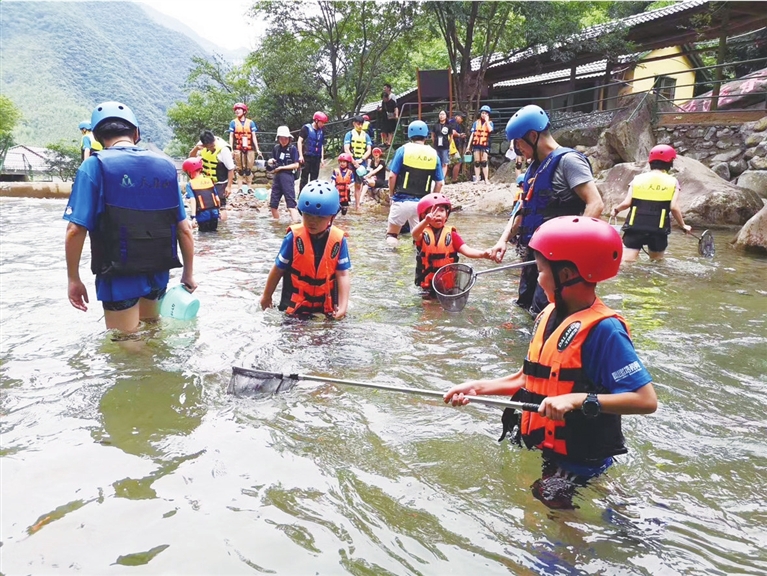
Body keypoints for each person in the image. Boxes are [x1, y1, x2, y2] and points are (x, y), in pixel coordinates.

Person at [444, 216, 657, 510]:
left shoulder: (605, 330)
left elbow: (646, 401)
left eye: (541, 270)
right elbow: (526, 379)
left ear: (567, 274)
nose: (538, 278)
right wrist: (476, 388)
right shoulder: (548, 315)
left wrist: (577, 399)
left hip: (579, 456)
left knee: (552, 509)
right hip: (547, 448)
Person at [64, 101, 196, 334]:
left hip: (117, 275)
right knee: (152, 331)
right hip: (158, 271)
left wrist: (73, 279)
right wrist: (188, 272)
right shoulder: (165, 166)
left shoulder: (93, 166)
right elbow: (184, 228)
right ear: (136, 133)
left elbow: (75, 230)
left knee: (127, 346)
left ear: (96, 136)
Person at [493, 104, 604, 316]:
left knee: (543, 314)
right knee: (525, 308)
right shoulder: (534, 167)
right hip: (534, 255)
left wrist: (568, 248)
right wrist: (503, 240)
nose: (518, 151)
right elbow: (524, 209)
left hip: (556, 261)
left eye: (518, 144)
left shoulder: (569, 161)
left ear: (533, 136)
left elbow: (596, 203)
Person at [260, 180, 351, 319]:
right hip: (295, 307)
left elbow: (343, 274)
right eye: (308, 215)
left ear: (332, 217)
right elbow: (278, 269)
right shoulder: (293, 238)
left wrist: (343, 307)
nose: (312, 221)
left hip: (326, 308)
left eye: (320, 217)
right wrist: (266, 296)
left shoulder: (339, 241)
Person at [612, 144, 691, 262]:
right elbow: (674, 207)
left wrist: (616, 210)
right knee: (657, 263)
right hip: (658, 230)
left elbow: (626, 203)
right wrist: (683, 225)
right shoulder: (673, 182)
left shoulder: (637, 179)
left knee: (626, 262)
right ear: (670, 163)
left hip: (635, 228)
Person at [412, 193, 492, 294]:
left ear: (447, 214)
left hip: (446, 286)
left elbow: (467, 251)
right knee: (428, 307)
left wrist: (483, 254)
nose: (438, 214)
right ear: (424, 216)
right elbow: (414, 234)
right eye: (433, 211)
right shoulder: (422, 234)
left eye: (441, 210)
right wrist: (425, 222)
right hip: (426, 286)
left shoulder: (452, 235)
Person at [385, 120, 444, 248]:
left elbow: (391, 176)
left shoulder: (403, 150)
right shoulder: (434, 154)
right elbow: (439, 183)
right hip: (422, 205)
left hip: (401, 201)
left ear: (410, 135)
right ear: (426, 135)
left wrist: (391, 195)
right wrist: (431, 201)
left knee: (392, 235)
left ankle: (391, 264)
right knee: (419, 239)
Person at [190, 130, 234, 222]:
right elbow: (191, 158)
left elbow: (231, 169)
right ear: (205, 145)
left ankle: (223, 228)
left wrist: (229, 186)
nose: (212, 147)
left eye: (213, 144)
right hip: (206, 182)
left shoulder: (223, 149)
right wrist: (195, 149)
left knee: (221, 205)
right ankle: (209, 224)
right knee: (207, 204)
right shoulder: (201, 146)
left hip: (221, 181)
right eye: (209, 146)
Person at [267, 125, 301, 222]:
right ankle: (277, 225)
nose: (283, 140)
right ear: (278, 138)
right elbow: (273, 162)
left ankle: (296, 224)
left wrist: (282, 167)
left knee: (291, 204)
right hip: (277, 177)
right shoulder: (276, 148)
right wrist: (271, 162)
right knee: (273, 205)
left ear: (289, 138)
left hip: (288, 177)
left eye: (285, 138)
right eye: (281, 138)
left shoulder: (292, 149)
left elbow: (296, 165)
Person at [228, 102, 261, 190]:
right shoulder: (233, 123)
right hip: (238, 148)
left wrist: (257, 149)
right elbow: (231, 136)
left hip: (249, 148)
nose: (237, 111)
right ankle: (240, 188)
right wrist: (231, 149)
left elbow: (253, 136)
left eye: (239, 109)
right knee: (240, 169)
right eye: (236, 109)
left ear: (244, 111)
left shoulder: (250, 122)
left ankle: (249, 187)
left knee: (248, 168)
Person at [182, 157, 220, 232]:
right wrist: (219, 211)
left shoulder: (190, 184)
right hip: (214, 212)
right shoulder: (209, 181)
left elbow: (193, 200)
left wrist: (193, 217)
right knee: (214, 232)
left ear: (189, 171)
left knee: (203, 235)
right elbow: (217, 199)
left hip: (203, 215)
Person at [343, 115, 372, 209]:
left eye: (361, 124)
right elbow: (346, 148)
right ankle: (344, 203)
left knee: (358, 184)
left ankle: (357, 205)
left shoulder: (366, 135)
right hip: (350, 161)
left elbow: (369, 150)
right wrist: (353, 161)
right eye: (358, 124)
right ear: (354, 124)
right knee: (345, 182)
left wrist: (362, 159)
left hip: (361, 162)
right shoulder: (349, 134)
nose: (360, 126)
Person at [297, 111, 328, 192]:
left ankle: (313, 195)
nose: (323, 124)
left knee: (314, 179)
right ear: (316, 120)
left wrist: (322, 158)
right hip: (307, 157)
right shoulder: (306, 128)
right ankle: (302, 196)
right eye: (322, 122)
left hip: (316, 158)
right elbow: (299, 141)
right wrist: (300, 155)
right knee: (304, 178)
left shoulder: (322, 131)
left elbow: (321, 144)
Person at [466, 105, 494, 183]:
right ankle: (477, 178)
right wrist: (468, 146)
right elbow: (472, 134)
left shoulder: (490, 123)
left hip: (485, 145)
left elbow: (490, 130)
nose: (483, 114)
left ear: (488, 114)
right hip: (476, 144)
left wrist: (487, 121)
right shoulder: (476, 123)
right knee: (477, 162)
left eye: (485, 113)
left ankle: (486, 179)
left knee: (484, 162)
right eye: (482, 113)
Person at [447, 112, 466, 183]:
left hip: (449, 145)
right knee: (458, 161)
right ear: (457, 116)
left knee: (447, 163)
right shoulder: (453, 122)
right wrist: (460, 135)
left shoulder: (452, 123)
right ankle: (454, 179)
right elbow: (453, 132)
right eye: (461, 118)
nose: (461, 120)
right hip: (451, 145)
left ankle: (447, 179)